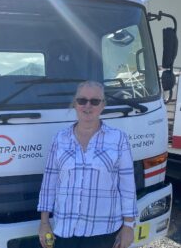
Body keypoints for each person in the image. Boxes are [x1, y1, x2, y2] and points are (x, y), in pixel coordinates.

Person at [37, 80, 138, 248]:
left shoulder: (119, 139)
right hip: (65, 229)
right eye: (82, 100)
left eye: (95, 101)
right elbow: (49, 183)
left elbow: (127, 187)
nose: (87, 106)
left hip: (103, 231)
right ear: (75, 104)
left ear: (103, 105)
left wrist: (128, 226)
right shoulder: (59, 139)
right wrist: (44, 223)